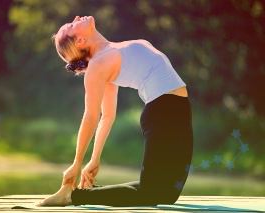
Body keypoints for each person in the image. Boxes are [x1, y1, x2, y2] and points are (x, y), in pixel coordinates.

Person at [36, 15, 193, 207]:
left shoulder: (112, 51)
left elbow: (108, 116)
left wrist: (94, 159)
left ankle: (87, 194)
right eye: (71, 24)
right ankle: (74, 196)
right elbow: (92, 116)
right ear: (79, 40)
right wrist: (77, 163)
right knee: (151, 193)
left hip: (179, 111)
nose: (76, 18)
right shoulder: (98, 65)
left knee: (166, 194)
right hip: (162, 113)